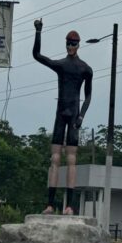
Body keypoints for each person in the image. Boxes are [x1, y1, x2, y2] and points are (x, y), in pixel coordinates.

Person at [33, 18, 92, 214]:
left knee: (71, 159)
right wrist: (38, 32)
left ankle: (69, 206)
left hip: (74, 115)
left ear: (78, 45)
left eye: (73, 43)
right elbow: (37, 55)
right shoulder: (61, 65)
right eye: (68, 43)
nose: (70, 46)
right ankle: (50, 204)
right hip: (61, 113)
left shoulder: (85, 69)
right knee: (55, 158)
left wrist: (81, 116)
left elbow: (88, 95)